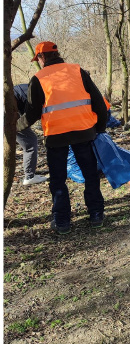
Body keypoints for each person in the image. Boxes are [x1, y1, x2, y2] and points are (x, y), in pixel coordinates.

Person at [16, 41, 108, 234]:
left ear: (41, 58)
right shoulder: (77, 71)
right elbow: (99, 103)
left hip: (56, 137)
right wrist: (99, 129)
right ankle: (96, 215)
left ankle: (62, 221)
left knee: (58, 180)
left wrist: (14, 127)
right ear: (57, 54)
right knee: (90, 174)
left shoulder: (38, 78)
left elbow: (31, 114)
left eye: (38, 58)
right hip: (84, 132)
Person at [13, 82, 48, 185]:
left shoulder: (34, 87)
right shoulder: (42, 94)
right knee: (30, 143)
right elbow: (31, 116)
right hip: (7, 112)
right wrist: (17, 127)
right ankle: (29, 176)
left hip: (9, 109)